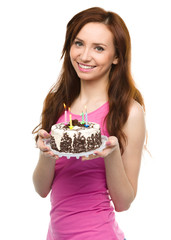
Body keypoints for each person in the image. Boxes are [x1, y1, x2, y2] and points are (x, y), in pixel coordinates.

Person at [32, 7, 146, 240]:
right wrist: (45, 155)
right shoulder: (57, 102)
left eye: (99, 48)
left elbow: (124, 203)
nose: (84, 56)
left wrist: (111, 154)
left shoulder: (129, 112)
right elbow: (42, 190)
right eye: (78, 43)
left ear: (116, 57)